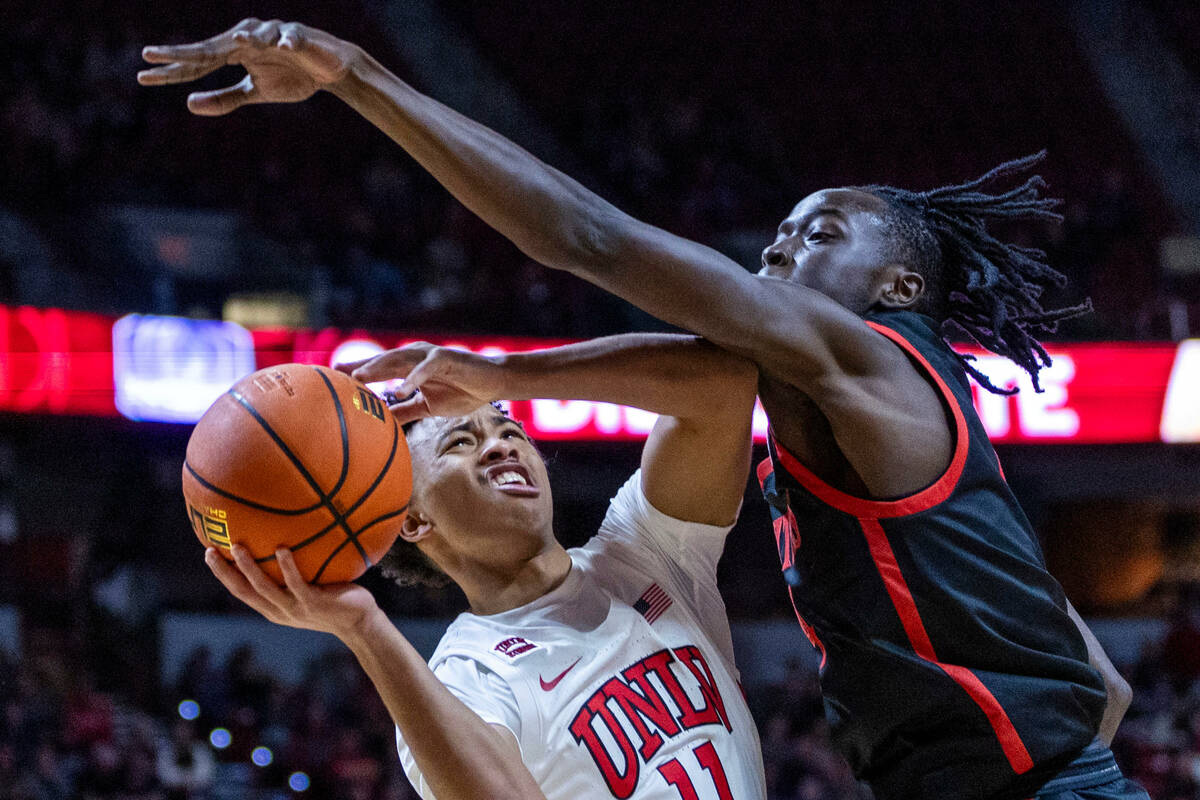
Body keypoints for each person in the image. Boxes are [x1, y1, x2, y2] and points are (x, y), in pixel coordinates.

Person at [139, 19, 1147, 799]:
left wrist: (357, 77)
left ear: (899, 286)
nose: (780, 255)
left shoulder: (863, 365)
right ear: (409, 513)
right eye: (776, 242)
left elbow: (589, 239)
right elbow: (1103, 684)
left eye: (821, 232)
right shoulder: (841, 425)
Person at [203, 333, 767, 799]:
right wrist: (363, 628)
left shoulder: (645, 548)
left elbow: (726, 383)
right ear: (413, 519)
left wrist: (506, 376)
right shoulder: (465, 679)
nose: (500, 446)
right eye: (461, 443)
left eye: (509, 429)